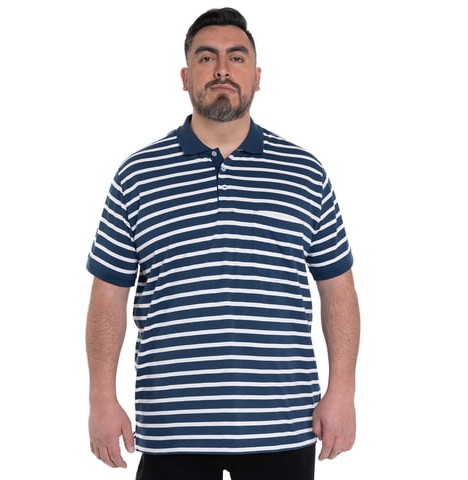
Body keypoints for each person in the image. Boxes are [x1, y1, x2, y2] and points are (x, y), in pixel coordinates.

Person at [86, 7, 360, 480]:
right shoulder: (138, 176)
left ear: (257, 76)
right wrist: (100, 398)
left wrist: (343, 392)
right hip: (173, 430)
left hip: (282, 428)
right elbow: (108, 295)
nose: (221, 70)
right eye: (206, 57)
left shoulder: (304, 173)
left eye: (236, 57)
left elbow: (338, 291)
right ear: (185, 76)